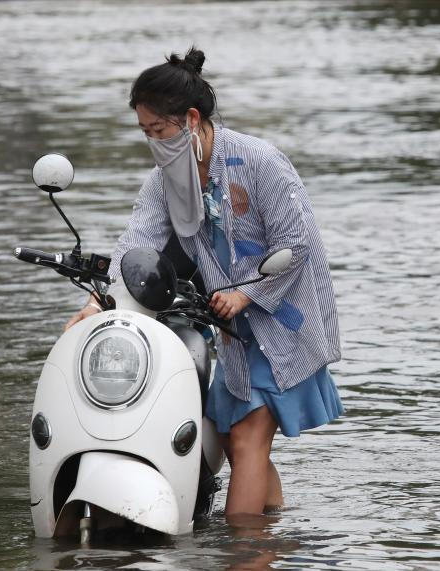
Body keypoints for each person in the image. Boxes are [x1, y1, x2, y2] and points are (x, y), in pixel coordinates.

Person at [64, 47, 343, 518]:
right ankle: (274, 531)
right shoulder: (165, 179)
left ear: (191, 118)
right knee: (235, 446)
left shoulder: (260, 161)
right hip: (230, 329)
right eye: (146, 133)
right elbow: (138, 241)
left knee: (248, 437)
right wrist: (98, 304)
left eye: (160, 130)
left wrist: (246, 292)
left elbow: (298, 244)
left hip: (280, 318)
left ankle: (243, 552)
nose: (154, 141)